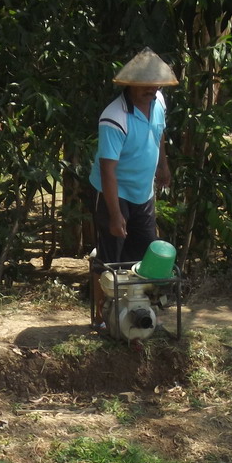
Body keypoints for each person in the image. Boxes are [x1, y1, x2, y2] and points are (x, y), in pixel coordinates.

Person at [88, 48, 178, 326]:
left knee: (145, 256)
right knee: (109, 258)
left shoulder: (159, 101)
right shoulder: (114, 117)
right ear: (130, 85)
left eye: (156, 85)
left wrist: (163, 164)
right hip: (114, 193)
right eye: (145, 86)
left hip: (143, 192)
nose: (152, 90)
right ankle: (100, 317)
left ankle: (136, 314)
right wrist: (115, 215)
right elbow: (107, 170)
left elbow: (158, 132)